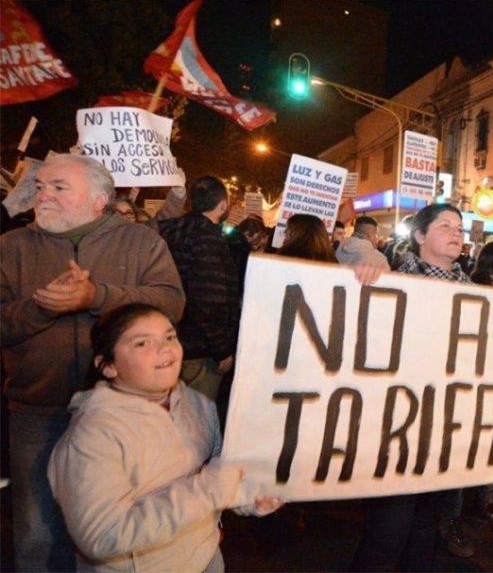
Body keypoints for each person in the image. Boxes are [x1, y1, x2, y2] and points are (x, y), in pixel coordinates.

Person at [0, 154, 185, 571]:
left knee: (116, 538)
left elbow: (171, 303)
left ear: (100, 200)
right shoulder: (11, 247)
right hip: (37, 414)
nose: (42, 195)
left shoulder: (141, 243)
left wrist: (96, 297)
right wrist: (42, 308)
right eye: (41, 186)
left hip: (123, 416)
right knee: (37, 536)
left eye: (59, 187)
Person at [47, 304, 283, 571]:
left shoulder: (197, 404)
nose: (165, 348)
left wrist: (247, 498)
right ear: (107, 366)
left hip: (206, 559)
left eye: (170, 337)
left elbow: (216, 475)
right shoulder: (91, 436)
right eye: (142, 343)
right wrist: (209, 490)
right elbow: (101, 535)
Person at [351, 203, 468, 571]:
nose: (456, 233)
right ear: (419, 236)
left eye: (460, 228)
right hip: (396, 426)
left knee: (424, 530)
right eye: (445, 226)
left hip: (442, 428)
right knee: (387, 532)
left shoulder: (478, 293)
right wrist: (364, 283)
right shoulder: (392, 281)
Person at [433, 241, 493, 558]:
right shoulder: (470, 290)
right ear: (491, 262)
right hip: (469, 388)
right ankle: (450, 521)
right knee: (461, 455)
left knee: (490, 450)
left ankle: (484, 505)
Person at [157, 176, 240, 403]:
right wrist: (221, 348)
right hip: (198, 348)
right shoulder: (207, 238)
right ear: (222, 205)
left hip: (166, 338)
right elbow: (208, 297)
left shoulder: (168, 230)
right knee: (195, 421)